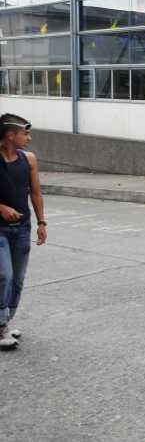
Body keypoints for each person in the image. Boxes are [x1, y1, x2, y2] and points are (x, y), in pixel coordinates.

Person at [0, 114, 47, 351]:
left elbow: (36, 193)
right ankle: (0, 328)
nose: (28, 138)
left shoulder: (29, 159)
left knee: (17, 279)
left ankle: (5, 321)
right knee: (4, 276)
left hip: (22, 229)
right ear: (10, 135)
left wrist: (41, 223)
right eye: (25, 134)